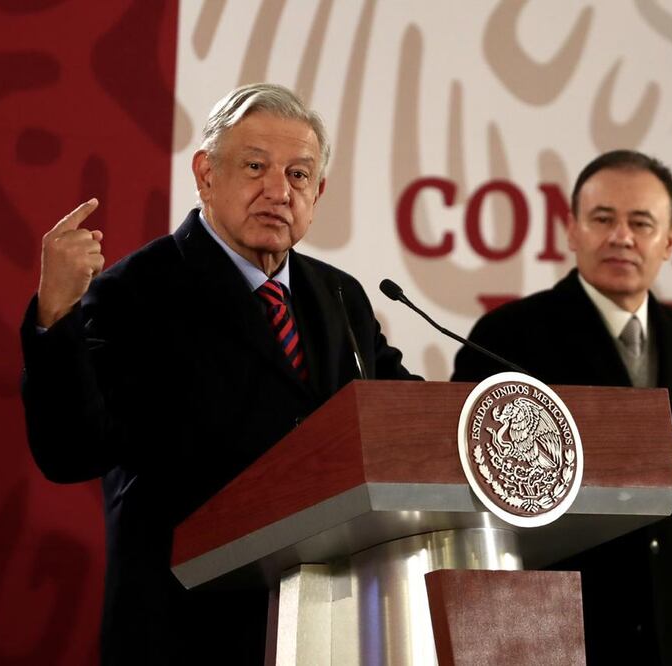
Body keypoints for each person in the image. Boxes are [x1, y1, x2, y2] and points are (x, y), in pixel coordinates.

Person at [20, 83, 417, 664]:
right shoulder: (135, 292)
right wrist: (57, 318)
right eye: (255, 166)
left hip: (325, 627)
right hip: (187, 629)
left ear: (319, 192)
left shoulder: (341, 296)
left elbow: (397, 414)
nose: (278, 191)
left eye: (299, 175)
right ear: (206, 173)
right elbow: (70, 451)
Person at [452, 149, 672, 665]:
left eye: (641, 223)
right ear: (571, 230)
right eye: (603, 219)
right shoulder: (509, 335)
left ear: (669, 241)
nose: (621, 236)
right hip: (555, 619)